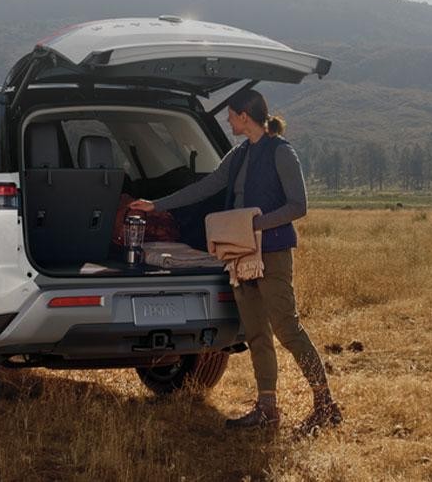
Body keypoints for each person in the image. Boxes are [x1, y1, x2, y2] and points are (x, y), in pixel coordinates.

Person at [131, 88, 342, 436]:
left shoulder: (282, 152)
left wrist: (254, 225)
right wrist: (156, 205)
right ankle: (267, 408)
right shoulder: (239, 154)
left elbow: (298, 206)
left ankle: (325, 404)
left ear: (245, 116)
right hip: (240, 253)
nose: (227, 120)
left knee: (287, 330)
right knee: (257, 332)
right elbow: (208, 186)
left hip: (271, 253)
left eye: (230, 115)